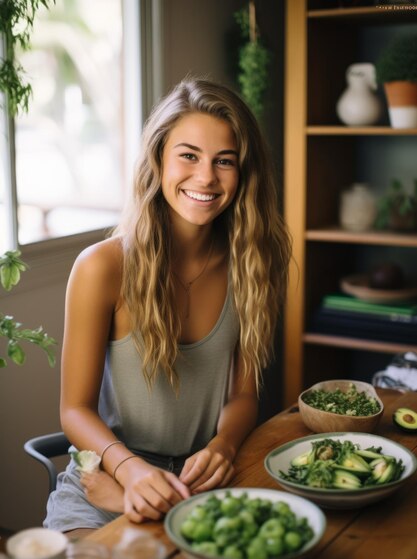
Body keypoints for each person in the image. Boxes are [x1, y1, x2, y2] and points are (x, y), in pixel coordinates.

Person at [44, 77, 292, 534]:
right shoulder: (102, 267)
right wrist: (129, 472)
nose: (206, 177)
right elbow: (74, 411)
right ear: (158, 158)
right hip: (107, 480)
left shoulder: (256, 263)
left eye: (225, 161)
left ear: (245, 173)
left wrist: (224, 446)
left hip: (202, 483)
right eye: (189, 156)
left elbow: (243, 394)